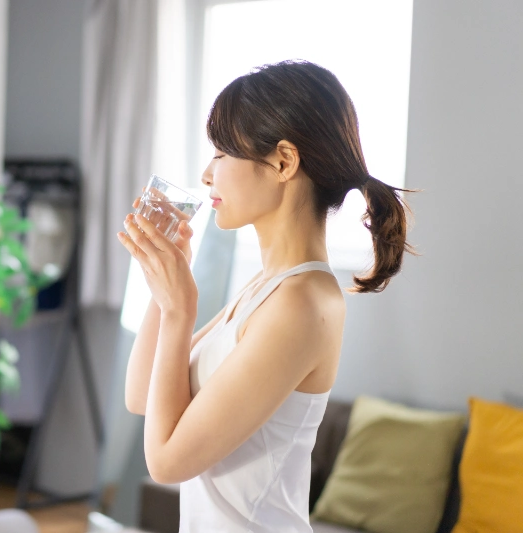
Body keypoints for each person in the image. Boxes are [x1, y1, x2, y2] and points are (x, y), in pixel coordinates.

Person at [116, 60, 413, 532]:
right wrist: (164, 284)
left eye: (221, 153)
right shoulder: (266, 288)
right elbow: (142, 398)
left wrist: (179, 312)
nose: (206, 174)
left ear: (282, 161)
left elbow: (167, 463)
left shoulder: (304, 302)